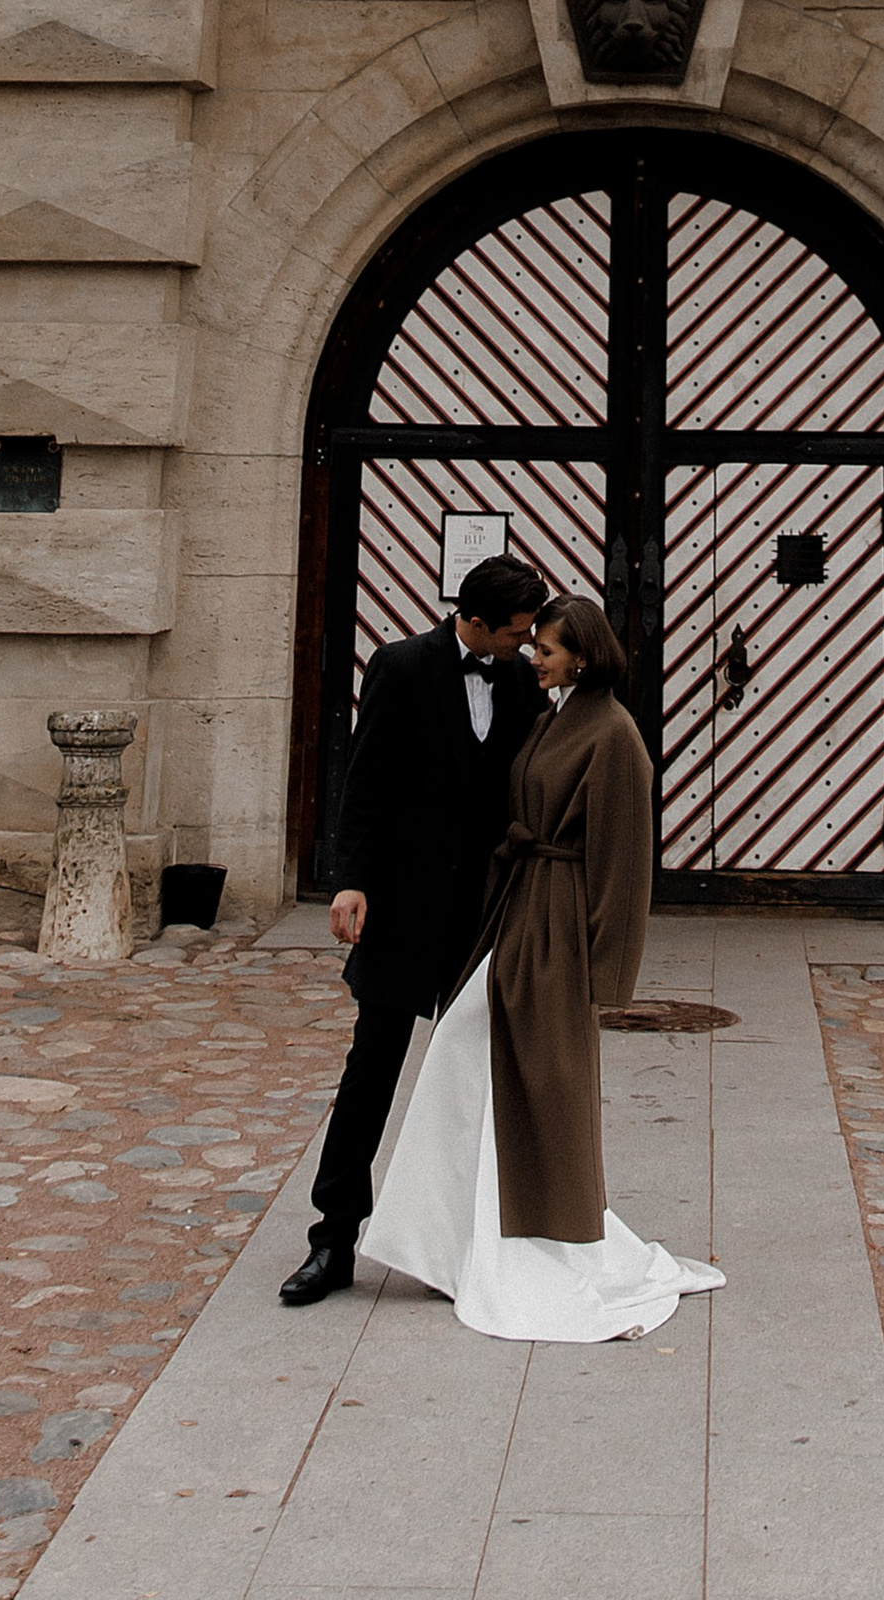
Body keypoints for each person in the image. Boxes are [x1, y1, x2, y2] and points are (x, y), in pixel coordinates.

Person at [360, 591, 724, 1342]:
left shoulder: (615, 736)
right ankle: (453, 1234)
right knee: (471, 1059)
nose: (533, 659)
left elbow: (625, 867)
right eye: (531, 647)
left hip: (556, 926)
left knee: (526, 1077)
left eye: (546, 650)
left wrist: (603, 974)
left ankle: (524, 1237)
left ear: (581, 656)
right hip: (517, 908)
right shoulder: (552, 714)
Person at [276, 550, 549, 1308]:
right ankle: (332, 1241)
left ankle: (468, 1237)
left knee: (480, 1075)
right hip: (401, 905)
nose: (526, 644)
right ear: (477, 622)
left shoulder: (524, 681)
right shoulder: (398, 667)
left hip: (487, 913)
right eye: (518, 632)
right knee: (372, 1071)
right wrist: (351, 879)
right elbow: (365, 781)